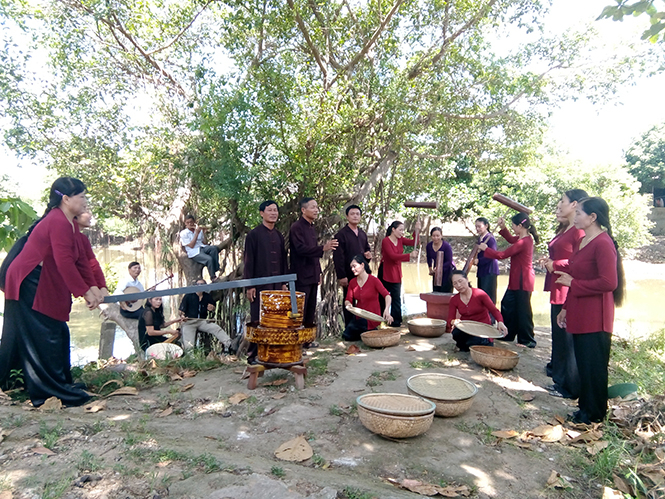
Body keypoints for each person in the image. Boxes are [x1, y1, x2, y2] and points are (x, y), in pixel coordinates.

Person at [0, 177, 103, 407]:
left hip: (41, 279)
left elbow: (79, 261)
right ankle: (48, 392)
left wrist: (94, 287)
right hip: (27, 281)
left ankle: (61, 383)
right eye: (82, 197)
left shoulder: (68, 222)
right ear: (66, 199)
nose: (86, 202)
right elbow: (64, 262)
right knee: (44, 336)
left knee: (57, 332)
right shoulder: (57, 221)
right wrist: (85, 293)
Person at [555, 197, 624, 424]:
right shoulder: (583, 241)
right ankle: (584, 409)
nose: (575, 217)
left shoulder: (603, 243)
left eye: (579, 213)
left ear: (593, 217)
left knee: (593, 367)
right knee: (583, 364)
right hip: (579, 311)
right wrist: (565, 307)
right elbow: (576, 275)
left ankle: (593, 415)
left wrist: (573, 284)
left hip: (596, 317)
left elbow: (608, 283)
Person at [541, 189, 588, 399]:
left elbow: (580, 260)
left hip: (568, 288)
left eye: (563, 201)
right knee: (558, 335)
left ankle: (568, 384)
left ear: (575, 204)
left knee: (566, 338)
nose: (560, 205)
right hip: (558, 284)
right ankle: (559, 377)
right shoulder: (567, 228)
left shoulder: (578, 231)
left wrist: (555, 263)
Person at [478, 213, 539, 348]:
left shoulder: (525, 241)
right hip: (516, 279)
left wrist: (486, 249)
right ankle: (508, 334)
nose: (512, 228)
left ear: (520, 226)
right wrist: (503, 227)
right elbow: (511, 239)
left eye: (513, 226)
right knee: (507, 304)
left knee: (523, 310)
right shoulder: (521, 238)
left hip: (524, 279)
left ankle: (528, 340)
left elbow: (503, 255)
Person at [244, 200, 289, 363]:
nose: (273, 213)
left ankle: (273, 351)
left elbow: (284, 260)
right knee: (258, 318)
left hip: (277, 284)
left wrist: (284, 282)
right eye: (270, 210)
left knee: (276, 318)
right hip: (260, 285)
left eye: (275, 210)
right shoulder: (253, 235)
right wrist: (250, 285)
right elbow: (248, 261)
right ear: (262, 213)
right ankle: (253, 355)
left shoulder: (278, 235)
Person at [289, 197, 338, 330]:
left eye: (317, 207)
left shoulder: (312, 227)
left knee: (311, 309)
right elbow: (300, 249)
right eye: (313, 207)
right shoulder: (296, 227)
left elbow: (314, 254)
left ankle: (307, 340)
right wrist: (323, 248)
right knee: (300, 310)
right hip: (301, 275)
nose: (316, 210)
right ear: (303, 210)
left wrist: (319, 272)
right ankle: (298, 342)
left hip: (313, 274)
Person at [447, 270, 507, 351]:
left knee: (476, 341)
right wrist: (453, 321)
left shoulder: (480, 294)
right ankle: (466, 346)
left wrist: (500, 322)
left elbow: (494, 310)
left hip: (482, 328)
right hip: (466, 328)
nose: (459, 285)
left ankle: (474, 345)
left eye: (460, 281)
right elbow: (450, 319)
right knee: (456, 333)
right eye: (455, 283)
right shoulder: (454, 300)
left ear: (467, 279)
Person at [333, 205, 372, 327]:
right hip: (348, 274)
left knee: (365, 299)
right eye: (352, 214)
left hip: (363, 273)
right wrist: (342, 276)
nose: (355, 216)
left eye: (357, 214)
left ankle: (365, 325)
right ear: (347, 216)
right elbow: (338, 257)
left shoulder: (362, 234)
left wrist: (368, 256)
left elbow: (367, 250)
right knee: (349, 301)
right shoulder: (341, 234)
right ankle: (350, 328)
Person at [380, 220, 420, 327]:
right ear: (393, 229)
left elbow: (414, 242)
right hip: (385, 270)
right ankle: (380, 318)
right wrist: (409, 255)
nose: (402, 232)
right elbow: (392, 256)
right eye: (400, 230)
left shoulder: (401, 239)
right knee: (382, 295)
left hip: (396, 271)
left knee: (396, 296)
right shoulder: (386, 241)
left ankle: (396, 321)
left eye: (403, 230)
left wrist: (417, 230)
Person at [343, 255, 392, 341]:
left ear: (362, 265)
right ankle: (367, 334)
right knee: (347, 335)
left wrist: (387, 309)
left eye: (354, 266)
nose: (352, 269)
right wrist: (349, 305)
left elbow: (387, 295)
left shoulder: (374, 280)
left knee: (357, 330)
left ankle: (370, 331)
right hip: (359, 316)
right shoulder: (352, 282)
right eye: (351, 267)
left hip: (372, 317)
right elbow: (348, 299)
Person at [178, 279, 232, 352]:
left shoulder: (207, 296)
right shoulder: (188, 296)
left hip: (202, 321)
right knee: (189, 345)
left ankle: (229, 344)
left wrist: (212, 308)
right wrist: (182, 317)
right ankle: (190, 358)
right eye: (198, 285)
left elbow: (213, 307)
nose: (200, 286)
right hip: (189, 322)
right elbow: (181, 311)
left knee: (216, 328)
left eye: (202, 285)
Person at [76, 206, 109, 297]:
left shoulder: (83, 239)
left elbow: (92, 263)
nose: (90, 215)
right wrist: (90, 289)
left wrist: (102, 286)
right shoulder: (66, 237)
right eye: (86, 211)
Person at [179, 215, 221, 281]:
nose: (190, 224)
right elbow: (191, 245)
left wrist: (203, 233)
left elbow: (203, 242)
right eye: (188, 222)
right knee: (209, 259)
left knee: (214, 248)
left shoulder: (198, 230)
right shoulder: (183, 233)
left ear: (194, 222)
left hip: (202, 247)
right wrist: (196, 233)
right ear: (185, 223)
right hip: (194, 251)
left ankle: (215, 268)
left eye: (191, 222)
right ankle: (213, 277)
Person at [474, 217, 500, 304]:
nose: (477, 229)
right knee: (481, 294)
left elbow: (492, 255)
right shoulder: (480, 238)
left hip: (489, 270)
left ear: (486, 226)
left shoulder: (490, 239)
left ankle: (491, 316)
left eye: (479, 226)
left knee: (488, 295)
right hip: (482, 270)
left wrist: (479, 261)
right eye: (476, 227)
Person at [426, 227, 454, 293]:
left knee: (446, 291)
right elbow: (428, 258)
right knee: (436, 290)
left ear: (441, 236)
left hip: (447, 270)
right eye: (433, 236)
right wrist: (430, 269)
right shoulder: (429, 246)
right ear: (431, 236)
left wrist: (439, 268)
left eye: (438, 236)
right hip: (436, 271)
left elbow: (449, 261)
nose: (436, 238)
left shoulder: (446, 246)